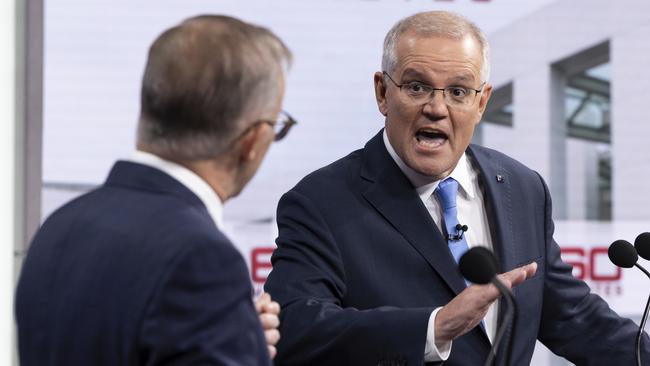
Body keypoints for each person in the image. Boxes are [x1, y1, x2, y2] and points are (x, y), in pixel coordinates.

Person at [265, 10, 648, 366]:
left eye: (459, 92)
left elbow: (573, 318)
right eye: (417, 87)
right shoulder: (320, 202)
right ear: (383, 92)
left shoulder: (522, 187)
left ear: (482, 102)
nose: (437, 107)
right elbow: (296, 329)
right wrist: (434, 328)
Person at [16, 15, 295, 366]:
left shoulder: (61, 226)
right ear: (252, 142)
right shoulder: (201, 260)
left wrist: (234, 333)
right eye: (277, 125)